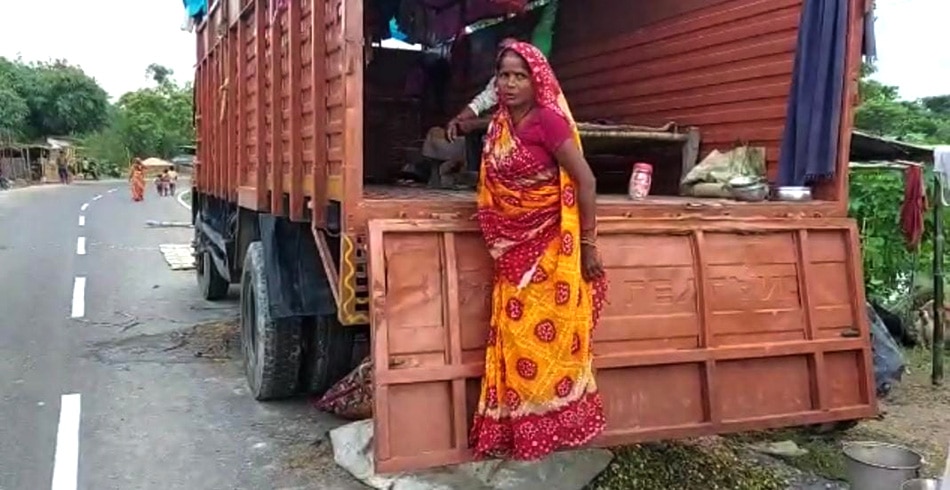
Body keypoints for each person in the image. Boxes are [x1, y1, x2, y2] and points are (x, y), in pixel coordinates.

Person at [469, 41, 608, 461]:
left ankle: (554, 428)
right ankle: (518, 432)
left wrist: (587, 245)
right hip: (511, 252)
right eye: (504, 75)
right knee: (514, 342)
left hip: (549, 250)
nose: (510, 84)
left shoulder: (548, 121)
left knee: (545, 345)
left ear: (537, 81)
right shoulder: (499, 126)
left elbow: (587, 181)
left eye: (520, 76)